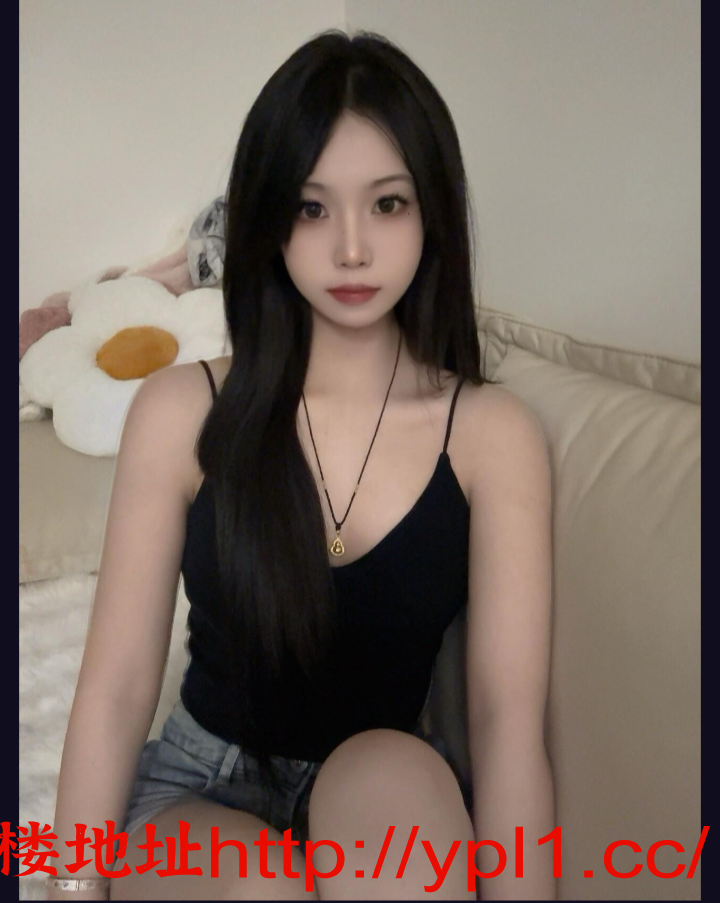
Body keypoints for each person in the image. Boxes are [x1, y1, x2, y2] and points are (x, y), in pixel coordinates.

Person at [48, 28, 556, 901]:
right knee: (262, 890)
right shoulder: (181, 410)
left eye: (387, 203)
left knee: (394, 831)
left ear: (431, 210)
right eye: (312, 208)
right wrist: (67, 886)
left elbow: (507, 722)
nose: (351, 248)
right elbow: (116, 689)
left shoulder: (492, 434)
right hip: (197, 789)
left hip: (380, 776)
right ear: (268, 218)